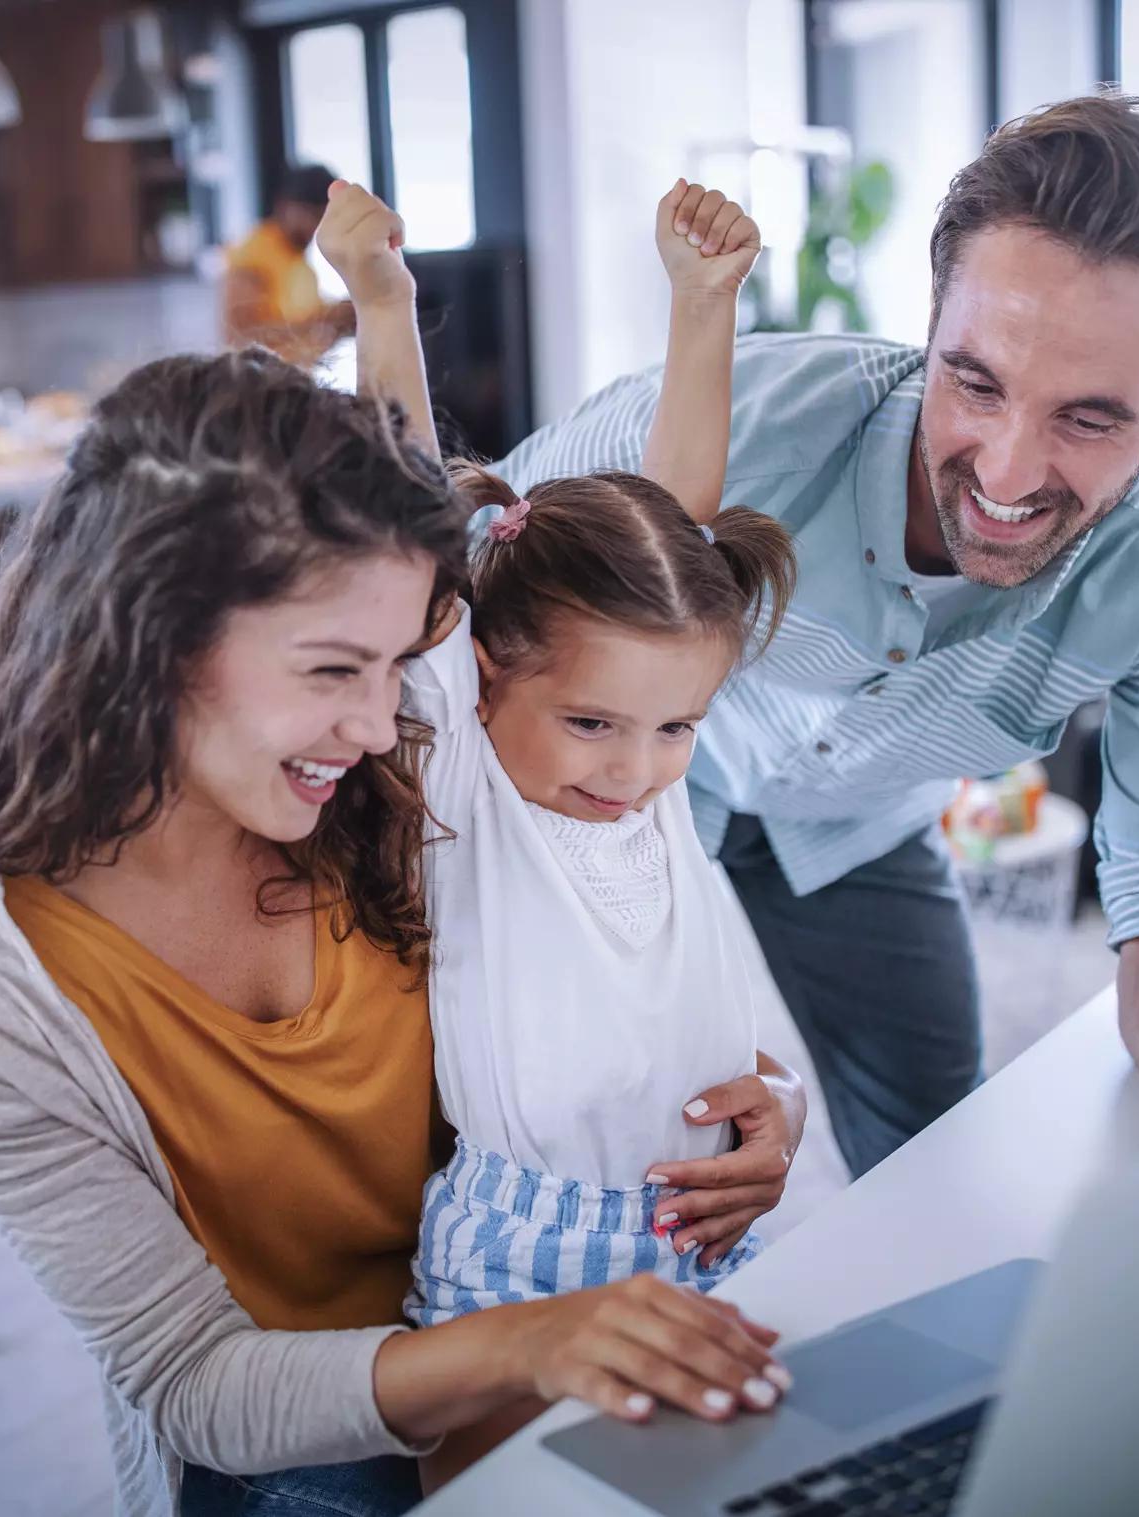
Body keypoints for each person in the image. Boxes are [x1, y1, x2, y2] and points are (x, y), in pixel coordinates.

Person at [0, 350, 794, 1517]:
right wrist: (533, 1341)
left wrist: (749, 1108)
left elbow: (604, 967)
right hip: (299, 1444)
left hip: (556, 1347)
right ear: (151, 637)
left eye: (395, 667)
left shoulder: (396, 793)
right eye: (334, 667)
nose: (383, 723)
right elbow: (199, 1383)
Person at [495, 93, 1139, 1178]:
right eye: (973, 381)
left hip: (863, 816)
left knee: (936, 1158)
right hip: (630, 780)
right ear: (933, 317)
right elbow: (448, 580)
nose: (1007, 472)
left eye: (1088, 416)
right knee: (567, 1120)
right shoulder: (732, 423)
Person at [316, 175, 802, 1485]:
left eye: (675, 729)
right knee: (508, 1500)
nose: (637, 770)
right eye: (593, 724)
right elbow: (408, 510)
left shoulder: (648, 768)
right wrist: (381, 296)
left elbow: (680, 528)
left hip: (702, 1228)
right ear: (482, 679)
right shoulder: (476, 783)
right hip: (528, 1255)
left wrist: (706, 306)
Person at [221, 163, 356, 366]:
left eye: (323, 217)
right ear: (284, 206)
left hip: (297, 384)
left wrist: (342, 315)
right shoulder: (254, 253)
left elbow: (310, 329)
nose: (315, 226)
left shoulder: (302, 266)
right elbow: (240, 337)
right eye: (311, 214)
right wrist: (324, 321)